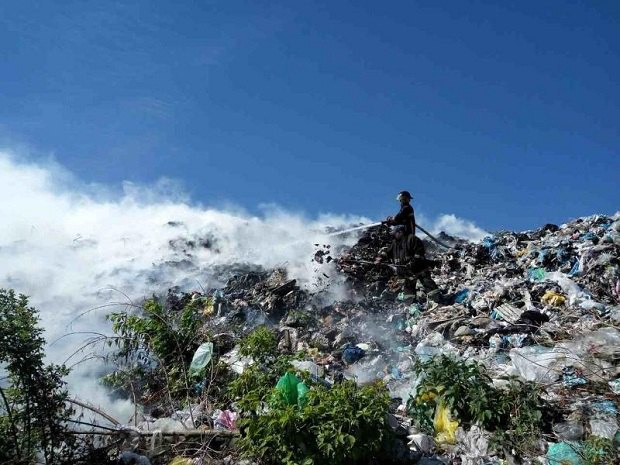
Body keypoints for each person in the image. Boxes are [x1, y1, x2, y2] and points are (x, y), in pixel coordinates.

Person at [376, 225, 441, 302]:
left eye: (395, 233)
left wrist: (411, 263)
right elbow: (387, 252)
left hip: (419, 270)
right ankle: (411, 306)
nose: (393, 235)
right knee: (408, 293)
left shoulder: (412, 239)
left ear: (400, 232)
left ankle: (437, 302)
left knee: (429, 287)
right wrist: (380, 258)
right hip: (405, 273)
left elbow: (419, 253)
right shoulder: (394, 243)